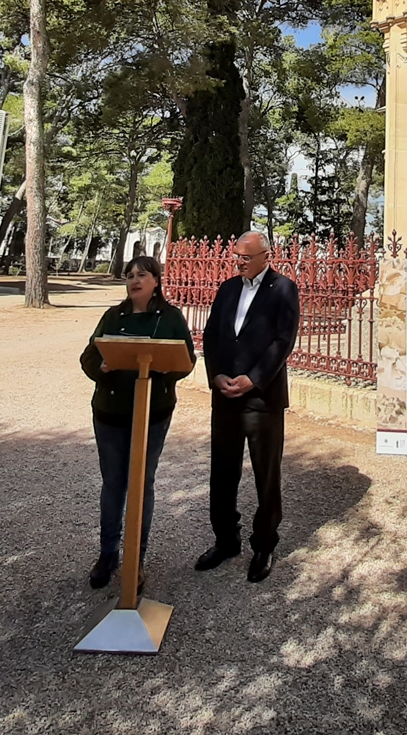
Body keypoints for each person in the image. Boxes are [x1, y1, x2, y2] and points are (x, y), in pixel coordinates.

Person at [78, 255, 195, 590]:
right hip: (110, 413)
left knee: (142, 484)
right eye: (129, 276)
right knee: (113, 485)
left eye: (142, 275)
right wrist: (102, 367)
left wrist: (165, 367)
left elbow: (186, 360)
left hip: (151, 415)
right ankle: (108, 554)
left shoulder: (171, 318)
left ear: (156, 280)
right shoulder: (113, 316)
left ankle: (136, 560)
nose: (134, 280)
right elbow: (89, 356)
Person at [195, 231, 299, 583]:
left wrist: (254, 378)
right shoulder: (227, 289)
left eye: (246, 256)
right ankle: (226, 540)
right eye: (236, 256)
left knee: (265, 475)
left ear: (266, 256)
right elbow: (211, 336)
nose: (239, 261)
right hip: (224, 396)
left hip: (262, 398)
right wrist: (216, 375)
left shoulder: (283, 289)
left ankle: (264, 544)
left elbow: (283, 340)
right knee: (222, 472)